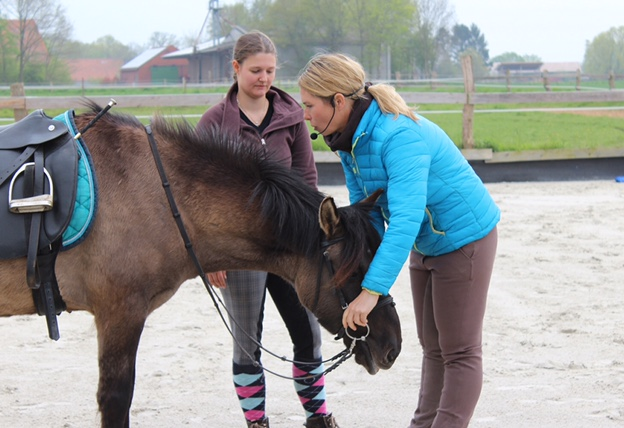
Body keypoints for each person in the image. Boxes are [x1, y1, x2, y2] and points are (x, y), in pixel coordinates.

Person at [298, 53, 500, 428]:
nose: (306, 115)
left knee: (460, 351)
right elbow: (369, 214)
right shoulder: (347, 140)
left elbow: (404, 218)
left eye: (310, 105)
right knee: (433, 347)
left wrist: (372, 290)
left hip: (464, 238)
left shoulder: (398, 135)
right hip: (426, 242)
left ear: (338, 101)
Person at [197, 32, 339, 428]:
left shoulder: (292, 116)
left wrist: (313, 242)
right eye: (256, 70)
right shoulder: (213, 123)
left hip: (290, 248)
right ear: (236, 68)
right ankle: (257, 423)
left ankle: (319, 417)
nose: (264, 78)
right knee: (247, 343)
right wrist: (211, 255)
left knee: (308, 333)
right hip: (239, 249)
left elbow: (306, 181)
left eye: (271, 71)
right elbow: (200, 196)